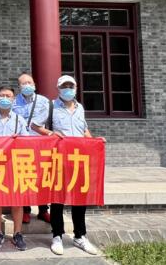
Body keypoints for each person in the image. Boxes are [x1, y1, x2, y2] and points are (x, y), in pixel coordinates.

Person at [44, 75, 104, 256]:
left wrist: (95, 141)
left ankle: (80, 235)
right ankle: (57, 235)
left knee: (80, 197)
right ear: (58, 88)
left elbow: (83, 130)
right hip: (59, 158)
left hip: (79, 158)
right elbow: (36, 126)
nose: (68, 89)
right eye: (65, 86)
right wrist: (51, 134)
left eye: (71, 86)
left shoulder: (80, 108)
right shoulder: (51, 106)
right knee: (57, 198)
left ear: (76, 88)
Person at [0, 86, 28, 251]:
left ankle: (17, 233)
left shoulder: (19, 120)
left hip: (14, 164)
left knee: (17, 201)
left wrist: (19, 139)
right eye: (2, 95)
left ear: (13, 99)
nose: (5, 98)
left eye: (8, 96)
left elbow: (28, 143)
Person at [12, 72, 52, 224]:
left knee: (42, 178)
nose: (27, 85)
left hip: (41, 145)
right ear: (19, 86)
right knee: (24, 176)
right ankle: (26, 210)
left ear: (34, 84)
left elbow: (44, 122)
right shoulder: (14, 102)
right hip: (21, 145)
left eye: (29, 82)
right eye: (23, 83)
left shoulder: (43, 101)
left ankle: (43, 209)